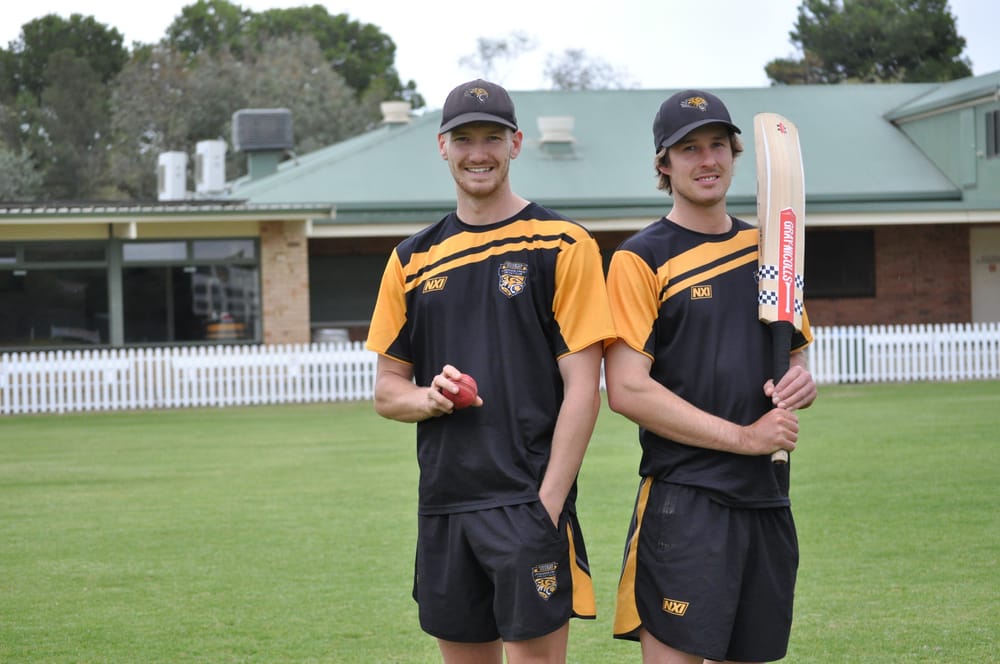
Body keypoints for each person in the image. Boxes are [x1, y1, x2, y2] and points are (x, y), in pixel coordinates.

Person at [366, 79, 616, 664]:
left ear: (516, 144)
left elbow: (585, 387)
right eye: (464, 139)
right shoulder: (410, 259)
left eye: (492, 138)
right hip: (446, 506)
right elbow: (386, 391)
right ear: (442, 147)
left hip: (526, 502)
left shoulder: (564, 243)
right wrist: (429, 398)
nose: (478, 152)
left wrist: (547, 505)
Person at [604, 89, 819, 663]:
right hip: (687, 501)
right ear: (663, 164)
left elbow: (792, 355)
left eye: (718, 145)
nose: (707, 160)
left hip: (768, 499)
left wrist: (801, 379)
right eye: (689, 148)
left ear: (735, 153)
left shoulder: (771, 247)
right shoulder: (639, 258)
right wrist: (745, 439)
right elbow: (626, 389)